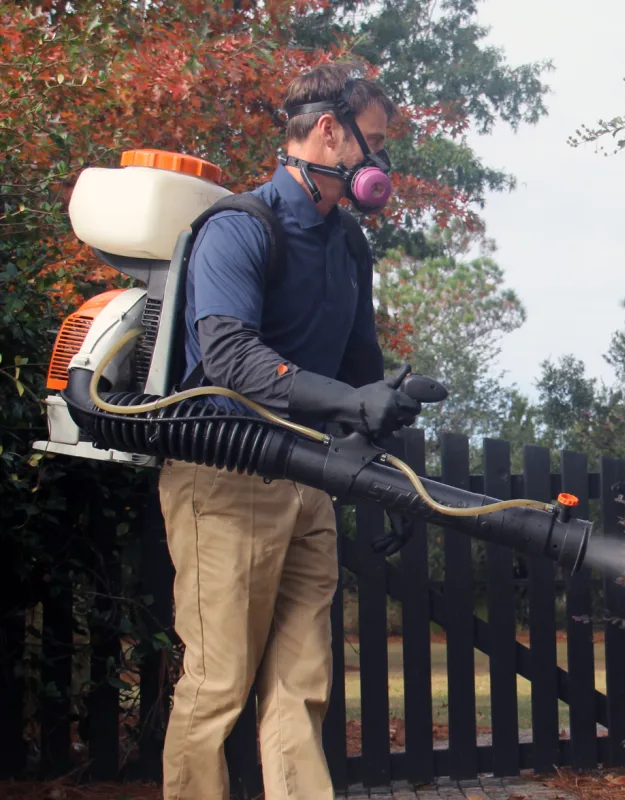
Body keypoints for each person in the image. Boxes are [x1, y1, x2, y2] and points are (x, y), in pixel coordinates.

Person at [157, 64, 420, 800]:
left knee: (301, 688)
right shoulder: (241, 228)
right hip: (226, 475)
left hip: (308, 482)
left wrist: (388, 448)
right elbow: (233, 357)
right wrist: (346, 399)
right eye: (372, 144)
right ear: (328, 132)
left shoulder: (347, 245)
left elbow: (359, 373)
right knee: (217, 686)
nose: (380, 166)